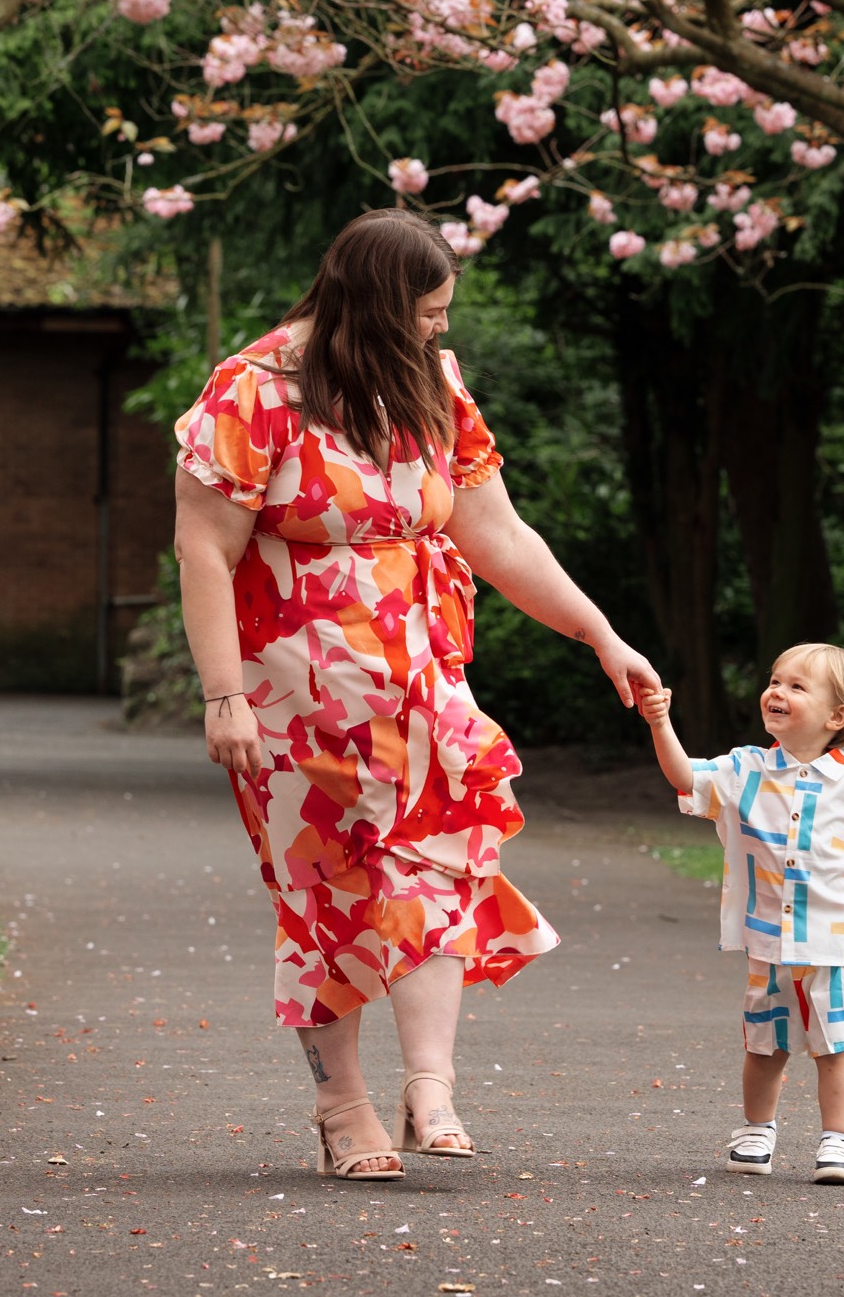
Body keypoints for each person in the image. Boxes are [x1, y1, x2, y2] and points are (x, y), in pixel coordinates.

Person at [172, 208, 661, 1181]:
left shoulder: (429, 384)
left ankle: (431, 1084)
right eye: (428, 311)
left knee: (439, 863)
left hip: (421, 680)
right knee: (326, 887)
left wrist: (601, 635)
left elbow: (498, 534)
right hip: (292, 696)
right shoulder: (255, 389)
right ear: (373, 303)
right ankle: (341, 1106)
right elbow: (204, 546)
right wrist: (223, 696)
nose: (441, 328)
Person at [638, 644, 844, 1187]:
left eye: (796, 686)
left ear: (837, 716)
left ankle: (838, 1143)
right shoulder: (745, 768)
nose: (777, 692)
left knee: (837, 1044)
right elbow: (685, 777)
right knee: (765, 1043)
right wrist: (660, 722)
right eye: (774, 681)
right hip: (769, 939)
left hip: (839, 940)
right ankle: (756, 1131)